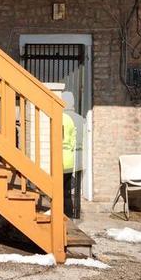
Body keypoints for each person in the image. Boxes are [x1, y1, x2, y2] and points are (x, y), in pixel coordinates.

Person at [60, 90, 80, 220]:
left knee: (59, 191)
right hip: (70, 158)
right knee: (67, 191)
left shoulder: (61, 118)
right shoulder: (71, 119)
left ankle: (62, 215)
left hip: (60, 158)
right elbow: (74, 140)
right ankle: (70, 215)